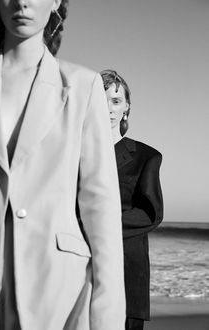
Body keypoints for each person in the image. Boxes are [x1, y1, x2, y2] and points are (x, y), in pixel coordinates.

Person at [0, 1, 126, 329]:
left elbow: (102, 209)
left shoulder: (83, 86)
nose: (22, 2)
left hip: (64, 296)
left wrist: (108, 315)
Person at [100, 69, 163, 330]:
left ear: (126, 108)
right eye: (101, 100)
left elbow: (150, 213)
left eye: (116, 101)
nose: (109, 108)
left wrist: (99, 226)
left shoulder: (146, 156)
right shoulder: (72, 153)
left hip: (127, 267)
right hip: (81, 264)